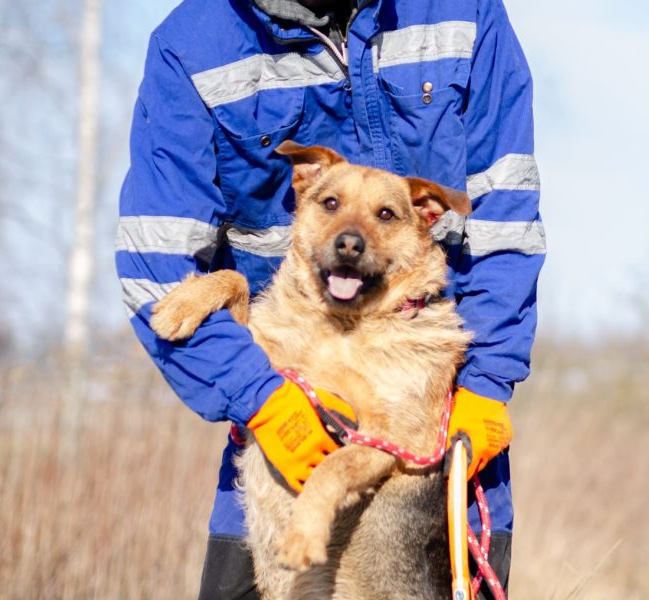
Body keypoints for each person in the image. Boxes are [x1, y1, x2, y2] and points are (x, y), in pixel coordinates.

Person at [116, 0, 544, 598]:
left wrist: (487, 384)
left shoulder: (464, 11)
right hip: (272, 450)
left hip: (442, 461)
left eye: (381, 217)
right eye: (333, 210)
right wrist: (259, 398)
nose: (351, 236)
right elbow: (154, 264)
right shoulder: (193, 41)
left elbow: (507, 223)